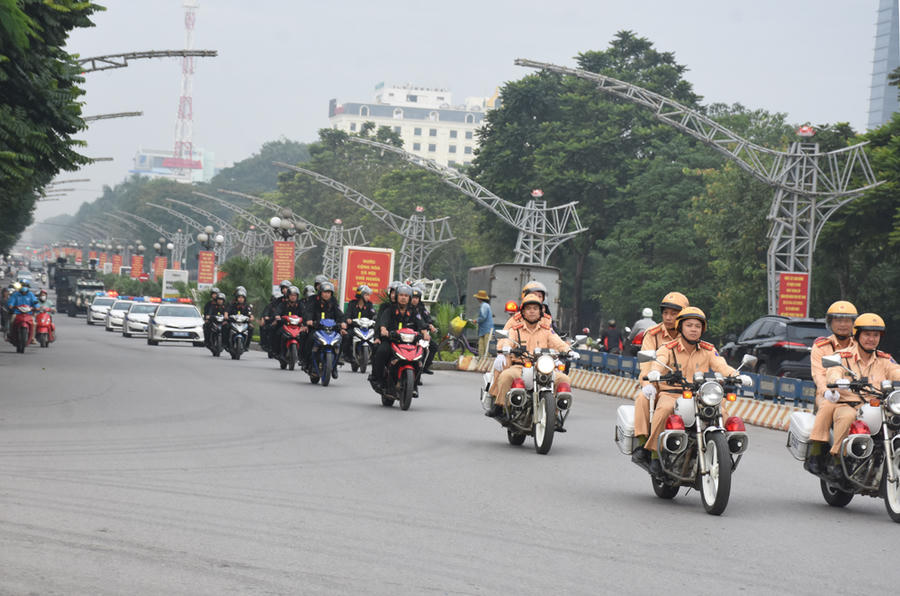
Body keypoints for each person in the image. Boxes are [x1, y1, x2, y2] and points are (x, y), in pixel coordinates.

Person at [640, 307, 751, 476]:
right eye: (689, 325)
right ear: (680, 327)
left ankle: (724, 453)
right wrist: (655, 372)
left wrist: (737, 375)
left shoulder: (708, 349)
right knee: (664, 410)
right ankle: (655, 454)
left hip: (701, 395)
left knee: (722, 412)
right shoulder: (667, 348)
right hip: (672, 393)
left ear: (702, 329)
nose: (694, 329)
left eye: (698, 326)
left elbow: (721, 366)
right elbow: (658, 362)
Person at [822, 313, 900, 461]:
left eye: (876, 335)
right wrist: (838, 380)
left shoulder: (884, 359)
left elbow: (896, 371)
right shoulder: (843, 356)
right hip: (848, 404)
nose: (872, 339)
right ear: (857, 335)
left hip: (877, 406)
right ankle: (838, 458)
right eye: (867, 334)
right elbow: (834, 371)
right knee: (847, 417)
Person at [486, 292, 573, 419]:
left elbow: (558, 342)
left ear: (540, 312)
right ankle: (501, 407)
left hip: (542, 367)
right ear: (523, 312)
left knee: (564, 379)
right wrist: (505, 348)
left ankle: (554, 415)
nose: (532, 311)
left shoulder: (547, 330)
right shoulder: (515, 329)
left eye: (535, 308)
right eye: (529, 308)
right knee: (505, 376)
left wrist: (569, 351)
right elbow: (507, 340)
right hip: (520, 366)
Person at [632, 291, 690, 465]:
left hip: (686, 384)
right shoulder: (652, 333)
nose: (668, 317)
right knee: (643, 398)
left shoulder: (690, 334)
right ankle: (643, 445)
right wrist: (647, 383)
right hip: (657, 382)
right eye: (665, 313)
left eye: (674, 313)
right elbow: (646, 364)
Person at [806, 300, 858, 473]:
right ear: (830, 323)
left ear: (853, 324)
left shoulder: (860, 345)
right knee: (828, 405)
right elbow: (818, 374)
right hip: (828, 394)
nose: (843, 324)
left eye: (847, 320)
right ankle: (817, 451)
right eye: (838, 320)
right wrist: (826, 391)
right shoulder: (821, 346)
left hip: (854, 395)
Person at [369, 284, 428, 393]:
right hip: (391, 340)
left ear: (409, 298)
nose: (403, 298)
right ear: (397, 296)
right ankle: (378, 379)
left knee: (420, 355)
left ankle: (414, 385)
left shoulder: (414, 311)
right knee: (382, 351)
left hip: (409, 342)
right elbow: (383, 323)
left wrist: (425, 333)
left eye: (406, 296)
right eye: (401, 295)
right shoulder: (389, 310)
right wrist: (383, 330)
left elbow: (421, 324)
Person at [302, 281, 346, 376]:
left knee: (342, 339)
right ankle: (307, 361)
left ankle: (334, 366)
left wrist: (342, 322)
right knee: (308, 338)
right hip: (317, 328)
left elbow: (339, 313)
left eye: (329, 292)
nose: (327, 294)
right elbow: (308, 311)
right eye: (325, 292)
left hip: (331, 328)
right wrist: (309, 320)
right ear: (320, 292)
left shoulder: (333, 301)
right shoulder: (313, 299)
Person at [344, 285, 376, 364]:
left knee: (375, 338)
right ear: (361, 295)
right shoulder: (352, 303)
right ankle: (347, 355)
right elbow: (347, 314)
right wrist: (348, 319)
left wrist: (374, 319)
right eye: (366, 295)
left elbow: (373, 314)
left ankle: (373, 357)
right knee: (347, 336)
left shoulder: (369, 305)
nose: (368, 297)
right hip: (354, 328)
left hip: (365, 329)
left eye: (368, 295)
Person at [411, 284, 438, 375]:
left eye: (416, 298)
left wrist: (430, 325)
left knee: (433, 346)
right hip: (410, 333)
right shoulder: (407, 308)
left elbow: (425, 317)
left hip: (421, 332)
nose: (414, 300)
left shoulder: (421, 306)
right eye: (413, 297)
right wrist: (425, 328)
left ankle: (425, 367)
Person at [273, 286, 304, 359]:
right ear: (288, 296)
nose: (293, 297)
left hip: (297, 327)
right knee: (278, 333)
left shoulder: (300, 305)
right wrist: (277, 316)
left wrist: (307, 320)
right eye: (291, 295)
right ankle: (278, 352)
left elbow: (305, 314)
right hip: (285, 326)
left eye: (295, 295)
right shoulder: (283, 304)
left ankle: (303, 355)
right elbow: (277, 312)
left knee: (304, 335)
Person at [261, 280, 291, 356]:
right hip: (281, 321)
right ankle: (273, 348)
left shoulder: (296, 301)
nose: (284, 290)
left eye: (286, 288)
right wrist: (275, 318)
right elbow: (276, 310)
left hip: (293, 322)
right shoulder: (279, 300)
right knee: (273, 329)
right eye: (283, 288)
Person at [6, 280, 39, 344]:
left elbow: (35, 303)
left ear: (28, 287)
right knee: (12, 321)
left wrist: (36, 307)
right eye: (22, 285)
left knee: (34, 323)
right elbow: (11, 302)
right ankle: (10, 335)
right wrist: (11, 305)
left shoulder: (31, 295)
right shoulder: (15, 294)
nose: (24, 287)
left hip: (29, 314)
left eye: (25, 285)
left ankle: (32, 338)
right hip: (17, 313)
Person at [472, 290, 494, 357]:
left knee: (486, 347)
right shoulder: (485, 305)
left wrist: (476, 320)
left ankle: (486, 360)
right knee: (481, 347)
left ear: (479, 298)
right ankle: (481, 359)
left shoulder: (484, 305)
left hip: (487, 329)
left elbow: (483, 317)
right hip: (484, 329)